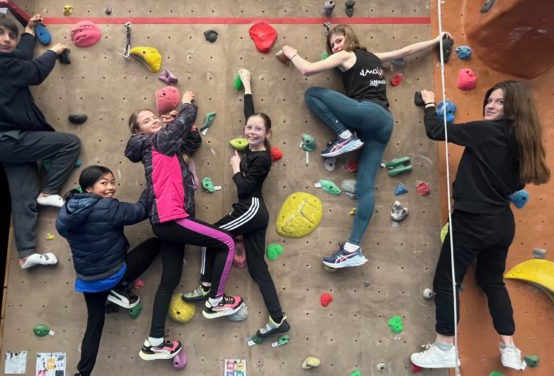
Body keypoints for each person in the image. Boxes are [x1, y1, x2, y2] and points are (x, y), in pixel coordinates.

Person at [280, 25, 450, 269]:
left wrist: (292, 52)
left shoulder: (346, 55)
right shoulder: (374, 57)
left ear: (349, 39)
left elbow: (307, 69)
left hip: (368, 113)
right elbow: (407, 50)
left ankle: (344, 135)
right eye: (332, 45)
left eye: (338, 41)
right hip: (383, 126)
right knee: (365, 187)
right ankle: (352, 248)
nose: (335, 47)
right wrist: (435, 40)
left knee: (313, 95)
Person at [410, 81, 550, 370]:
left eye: (500, 102)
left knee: (446, 281)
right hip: (501, 224)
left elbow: (436, 130)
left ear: (513, 108)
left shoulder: (487, 132)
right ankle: (509, 346)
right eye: (490, 99)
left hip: (472, 220)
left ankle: (445, 345)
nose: (491, 104)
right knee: (492, 282)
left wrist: (428, 103)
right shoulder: (523, 142)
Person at [125, 91, 244, 361]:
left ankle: (154, 342)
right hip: (171, 218)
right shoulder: (154, 142)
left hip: (169, 219)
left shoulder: (164, 145)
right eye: (146, 120)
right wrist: (187, 105)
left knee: (169, 280)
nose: (153, 120)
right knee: (225, 241)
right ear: (137, 130)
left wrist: (181, 124)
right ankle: (216, 300)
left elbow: (192, 141)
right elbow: (185, 118)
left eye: (153, 117)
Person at [0, 11, 81, 269]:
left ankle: (26, 253)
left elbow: (21, 58)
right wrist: (54, 50)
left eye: (11, 36)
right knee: (69, 143)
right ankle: (49, 191)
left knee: (24, 194)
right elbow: (34, 71)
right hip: (10, 137)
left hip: (2, 141)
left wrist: (27, 33)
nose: (7, 39)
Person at [182, 69, 290, 339]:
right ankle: (279, 319)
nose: (252, 131)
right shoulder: (248, 147)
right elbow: (250, 113)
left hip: (251, 208)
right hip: (251, 211)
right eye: (249, 127)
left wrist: (234, 167)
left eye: (258, 129)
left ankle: (207, 285)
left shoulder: (262, 158)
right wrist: (248, 87)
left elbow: (243, 187)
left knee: (211, 235)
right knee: (257, 269)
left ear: (267, 134)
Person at [56, 166, 161, 376]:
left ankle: (82, 373)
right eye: (104, 183)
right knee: (153, 244)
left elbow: (65, 231)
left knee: (94, 323)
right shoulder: (107, 208)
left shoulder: (67, 210)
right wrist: (152, 184)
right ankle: (118, 287)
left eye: (112, 182)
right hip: (111, 273)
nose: (111, 187)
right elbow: (141, 210)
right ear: (88, 187)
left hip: (87, 280)